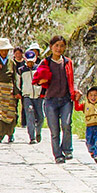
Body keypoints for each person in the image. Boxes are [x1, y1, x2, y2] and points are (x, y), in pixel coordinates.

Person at [33, 35, 78, 164]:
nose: (59, 48)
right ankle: (58, 155)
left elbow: (71, 80)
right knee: (54, 131)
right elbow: (36, 80)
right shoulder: (45, 62)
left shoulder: (68, 62)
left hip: (65, 100)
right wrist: (41, 81)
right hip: (50, 101)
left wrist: (75, 91)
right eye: (56, 45)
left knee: (66, 124)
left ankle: (67, 149)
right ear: (51, 46)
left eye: (62, 46)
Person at [16, 50, 44, 144]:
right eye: (28, 61)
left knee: (41, 117)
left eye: (32, 61)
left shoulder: (39, 69)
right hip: (27, 96)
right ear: (25, 60)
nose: (30, 63)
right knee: (29, 114)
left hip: (38, 96)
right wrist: (19, 92)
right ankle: (32, 137)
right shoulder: (21, 70)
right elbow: (18, 83)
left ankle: (38, 132)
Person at [13, 47, 26, 127]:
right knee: (14, 105)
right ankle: (14, 122)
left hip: (24, 85)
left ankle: (24, 123)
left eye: (19, 53)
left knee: (25, 105)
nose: (18, 55)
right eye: (16, 53)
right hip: (15, 86)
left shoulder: (25, 62)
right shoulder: (12, 62)